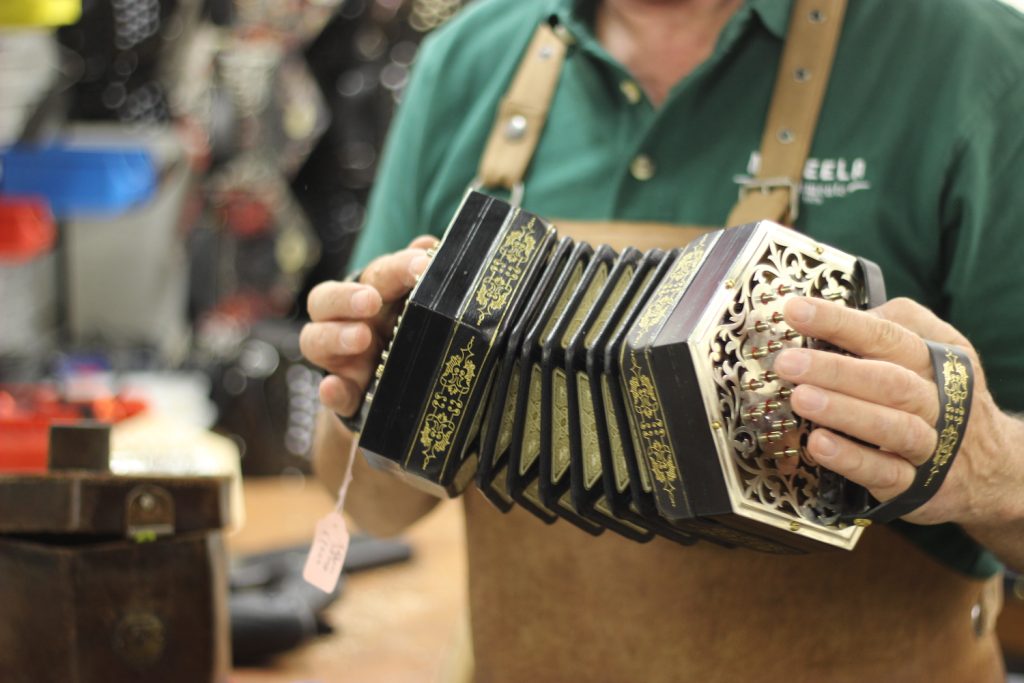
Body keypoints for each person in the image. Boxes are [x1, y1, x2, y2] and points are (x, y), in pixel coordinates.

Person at [301, 0, 1024, 680]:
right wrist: (368, 388)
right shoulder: (468, 57)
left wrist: (989, 464)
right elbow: (376, 508)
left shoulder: (974, 62)